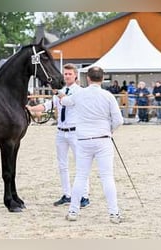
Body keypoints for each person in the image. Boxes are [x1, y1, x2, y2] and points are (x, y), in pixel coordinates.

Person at [60, 66, 123, 224]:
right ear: (102, 79)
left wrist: (57, 91)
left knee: (81, 176)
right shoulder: (108, 96)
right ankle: (114, 213)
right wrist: (110, 129)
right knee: (107, 177)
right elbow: (119, 120)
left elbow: (65, 101)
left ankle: (73, 211)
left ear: (87, 78)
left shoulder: (79, 94)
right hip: (103, 139)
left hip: (83, 140)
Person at [26, 63, 90, 207]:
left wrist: (56, 92)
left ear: (75, 75)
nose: (66, 76)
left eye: (69, 74)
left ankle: (84, 196)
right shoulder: (60, 91)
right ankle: (67, 194)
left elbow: (67, 101)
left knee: (81, 164)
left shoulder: (79, 91)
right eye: (65, 74)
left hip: (75, 132)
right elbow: (48, 105)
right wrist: (30, 108)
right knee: (62, 165)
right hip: (61, 132)